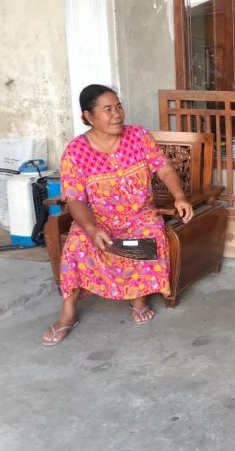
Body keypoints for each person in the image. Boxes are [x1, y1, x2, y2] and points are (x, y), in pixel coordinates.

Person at [42, 84, 194, 345]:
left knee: (145, 238)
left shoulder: (138, 136)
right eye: (108, 109)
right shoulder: (75, 152)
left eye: (119, 106)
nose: (117, 114)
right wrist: (91, 228)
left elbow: (165, 169)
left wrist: (179, 196)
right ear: (88, 117)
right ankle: (68, 313)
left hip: (139, 215)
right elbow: (75, 199)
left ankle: (138, 299)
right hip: (98, 219)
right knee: (77, 244)